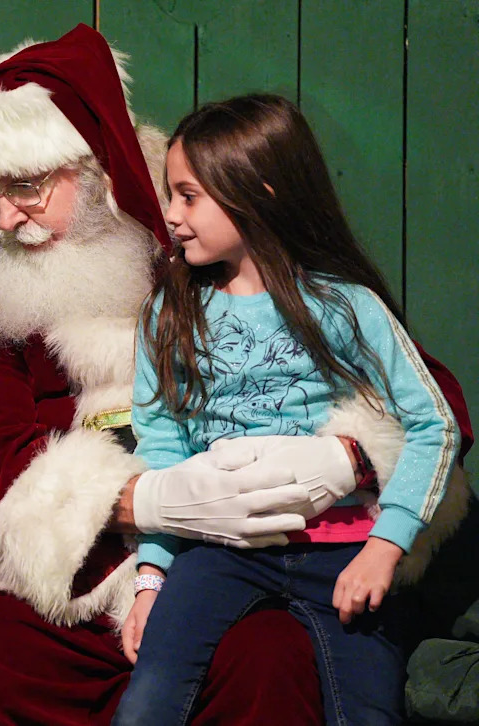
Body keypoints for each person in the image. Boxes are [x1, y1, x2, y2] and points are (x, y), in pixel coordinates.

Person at [0, 23, 474, 726]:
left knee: (270, 658)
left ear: (91, 168)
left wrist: (346, 458)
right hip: (84, 564)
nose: (4, 215)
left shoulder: (199, 219)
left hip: (258, 547)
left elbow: (429, 395)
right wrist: (142, 506)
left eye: (25, 185)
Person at [112, 94, 461, 725]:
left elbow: (433, 424)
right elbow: (163, 448)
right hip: (216, 552)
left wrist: (386, 545)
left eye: (189, 195)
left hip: (343, 553)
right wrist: (151, 580)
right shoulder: (169, 314)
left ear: (259, 191)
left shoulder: (345, 305)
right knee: (146, 705)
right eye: (171, 194)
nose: (171, 214)